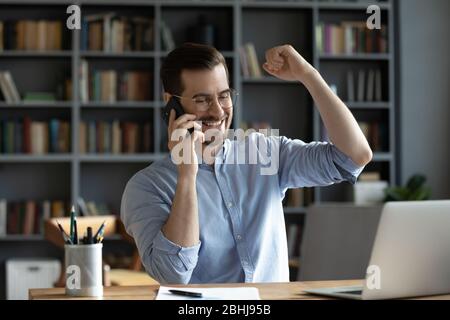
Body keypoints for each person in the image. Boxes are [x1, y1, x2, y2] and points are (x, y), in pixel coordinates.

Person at [121, 43, 372, 284]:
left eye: (224, 96)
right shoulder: (146, 186)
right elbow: (173, 275)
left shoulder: (265, 151)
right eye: (202, 99)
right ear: (171, 103)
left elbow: (352, 157)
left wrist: (308, 75)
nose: (219, 112)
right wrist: (187, 175)